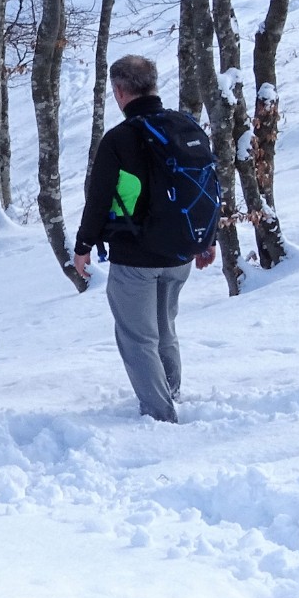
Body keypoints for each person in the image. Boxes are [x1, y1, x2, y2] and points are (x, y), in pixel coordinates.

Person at [72, 55, 216, 423]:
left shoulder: (120, 139)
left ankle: (160, 415)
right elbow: (206, 187)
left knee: (139, 339)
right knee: (165, 329)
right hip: (181, 253)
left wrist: (83, 246)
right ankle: (172, 394)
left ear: (120, 92)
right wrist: (206, 239)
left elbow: (100, 198)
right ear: (152, 86)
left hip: (136, 257)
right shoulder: (185, 126)